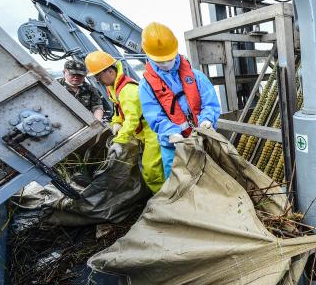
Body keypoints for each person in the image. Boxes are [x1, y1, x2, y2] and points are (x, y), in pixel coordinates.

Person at [138, 22, 220, 178]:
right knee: (179, 186)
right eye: (160, 61)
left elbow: (210, 102)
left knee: (211, 180)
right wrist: (171, 134)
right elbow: (154, 115)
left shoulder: (196, 76)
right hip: (172, 147)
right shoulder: (146, 86)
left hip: (202, 140)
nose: (165, 63)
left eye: (168, 59)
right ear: (148, 55)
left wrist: (207, 119)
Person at [85, 51, 165, 194]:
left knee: (151, 169)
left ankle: (163, 197)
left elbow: (132, 120)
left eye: (98, 76)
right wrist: (116, 122)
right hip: (142, 133)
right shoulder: (113, 87)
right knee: (148, 167)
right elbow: (118, 110)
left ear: (110, 71)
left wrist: (120, 141)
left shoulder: (127, 90)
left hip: (153, 131)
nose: (97, 80)